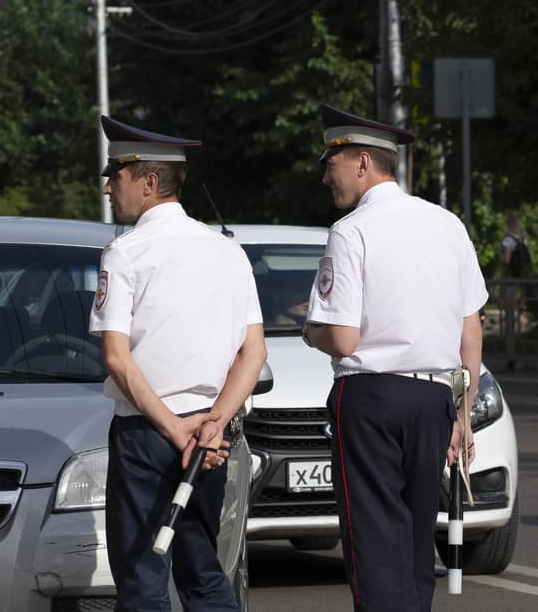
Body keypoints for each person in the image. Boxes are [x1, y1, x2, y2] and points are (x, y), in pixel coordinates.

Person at [301, 105, 486, 611]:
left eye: (330, 164)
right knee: (412, 547)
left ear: (362, 162)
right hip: (434, 397)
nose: (325, 177)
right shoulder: (447, 225)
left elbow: (341, 339)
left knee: (374, 546)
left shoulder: (351, 231)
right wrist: (462, 414)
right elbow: (471, 329)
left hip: (372, 398)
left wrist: (308, 329)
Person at [89, 115, 267, 611]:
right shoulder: (228, 252)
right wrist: (213, 424)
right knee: (204, 571)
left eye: (116, 175)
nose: (107, 188)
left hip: (149, 434)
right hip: (209, 438)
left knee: (143, 580)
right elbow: (253, 353)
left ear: (148, 182)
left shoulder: (124, 253)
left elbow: (117, 360)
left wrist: (174, 430)